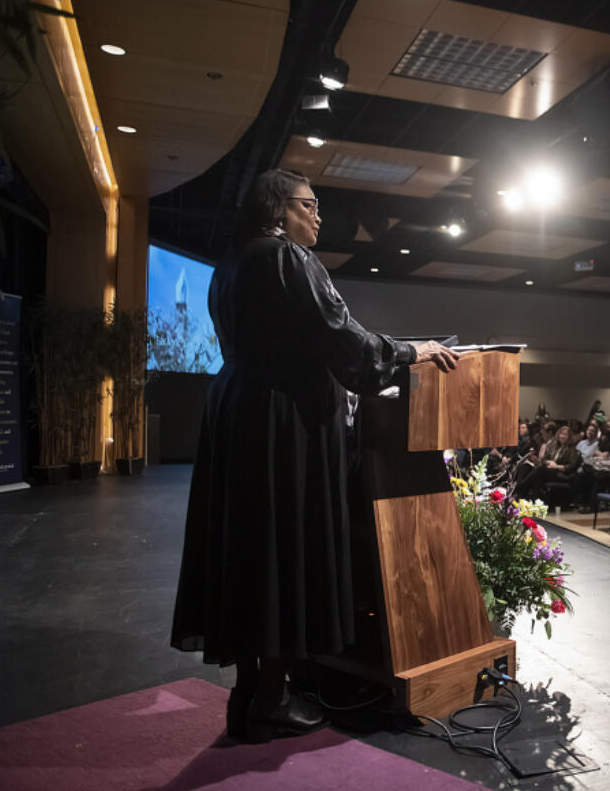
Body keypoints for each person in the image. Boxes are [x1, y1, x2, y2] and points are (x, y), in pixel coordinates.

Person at [171, 169, 459, 742]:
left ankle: (248, 693)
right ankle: (273, 702)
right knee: (286, 544)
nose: (319, 216)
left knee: (248, 549)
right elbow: (343, 339)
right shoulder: (290, 260)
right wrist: (414, 350)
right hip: (286, 419)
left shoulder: (230, 265)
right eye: (310, 204)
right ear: (280, 210)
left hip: (237, 411)